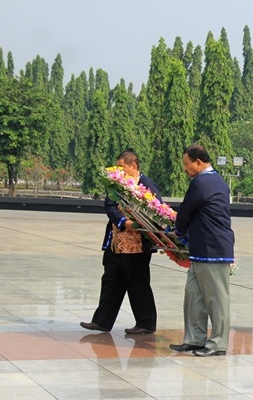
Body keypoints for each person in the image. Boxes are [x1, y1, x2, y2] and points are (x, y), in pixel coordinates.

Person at [81, 150, 159, 335]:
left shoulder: (146, 186)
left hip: (137, 247)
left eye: (122, 167)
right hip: (116, 243)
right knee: (110, 281)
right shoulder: (117, 185)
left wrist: (138, 224)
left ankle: (146, 323)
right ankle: (102, 321)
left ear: (133, 166)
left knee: (137, 283)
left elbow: (157, 211)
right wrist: (124, 222)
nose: (120, 171)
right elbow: (109, 206)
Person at [169, 144, 235, 356]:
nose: (185, 169)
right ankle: (195, 339)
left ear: (198, 162)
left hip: (213, 249)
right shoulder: (215, 180)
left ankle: (218, 344)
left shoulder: (202, 182)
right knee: (194, 295)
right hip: (201, 250)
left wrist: (177, 232)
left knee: (216, 299)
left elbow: (186, 211)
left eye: (187, 165)